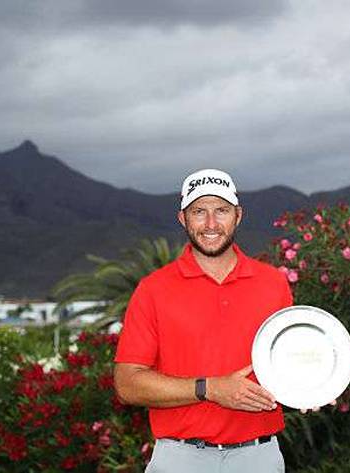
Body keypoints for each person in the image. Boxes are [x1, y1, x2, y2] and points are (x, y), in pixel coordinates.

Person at [114, 168, 292, 472]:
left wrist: (312, 384)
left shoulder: (273, 283)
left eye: (221, 210)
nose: (211, 224)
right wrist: (209, 389)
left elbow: (287, 361)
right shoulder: (153, 289)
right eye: (199, 211)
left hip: (259, 458)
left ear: (238, 215)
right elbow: (127, 384)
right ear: (183, 218)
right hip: (180, 459)